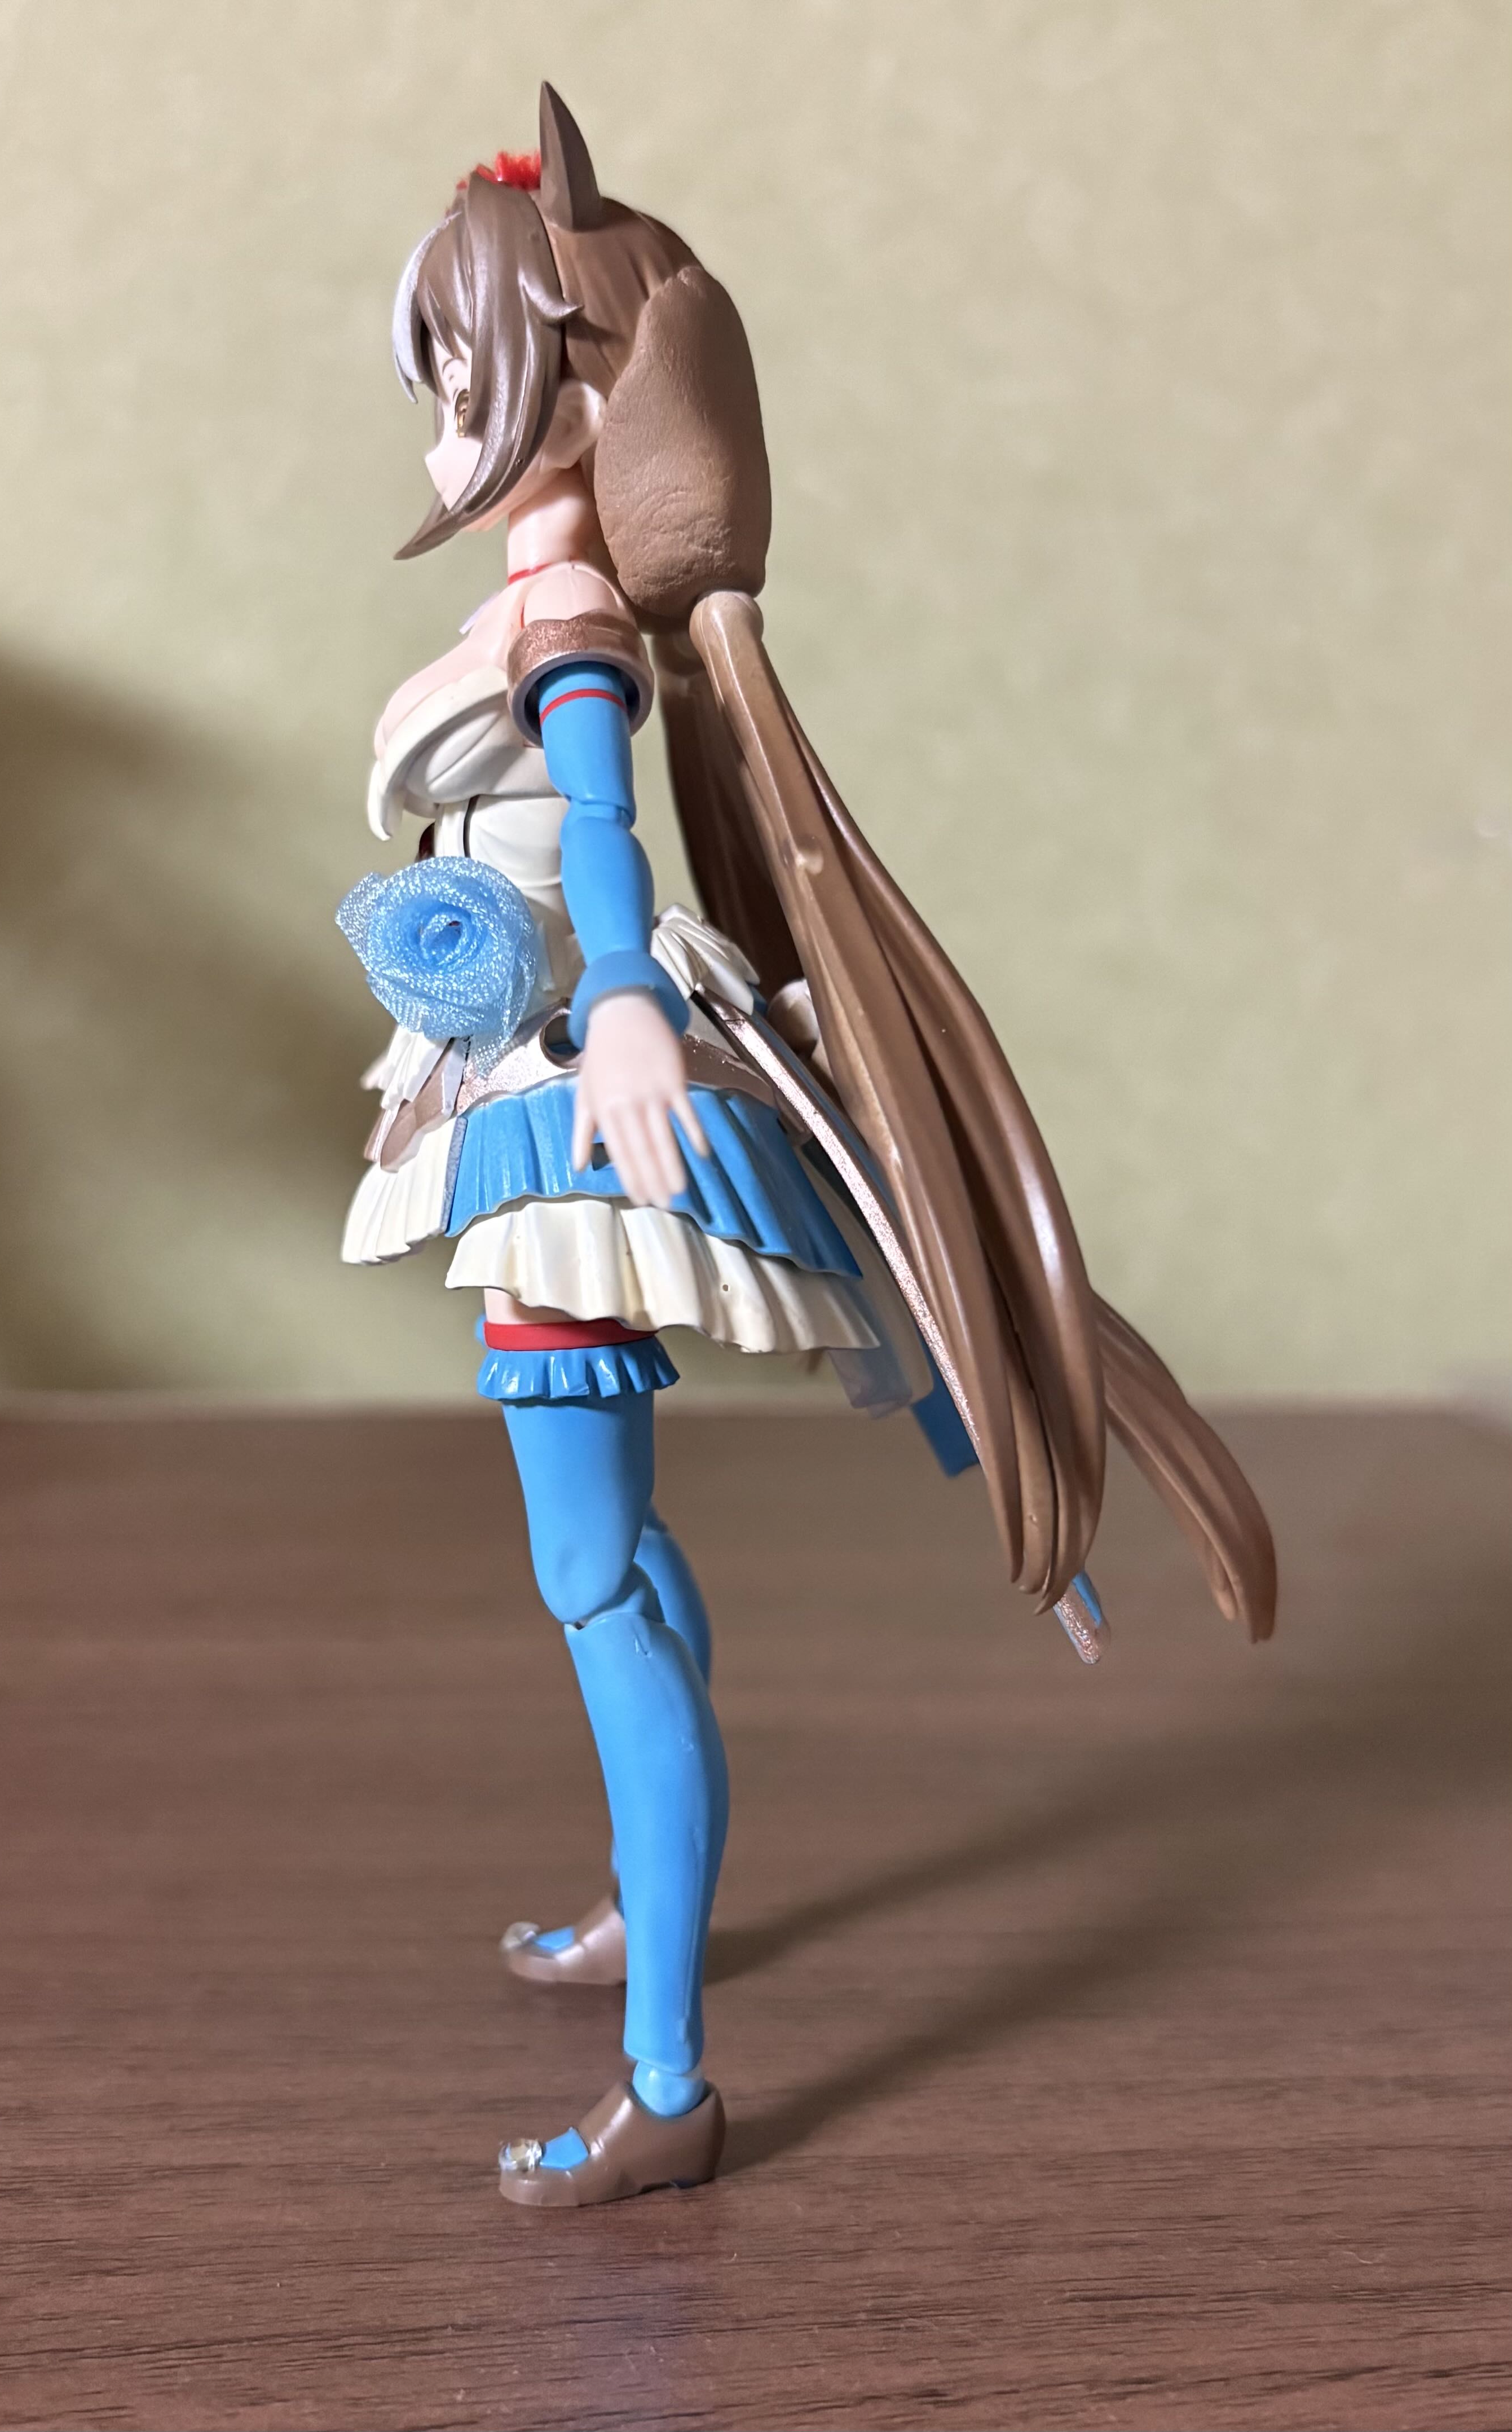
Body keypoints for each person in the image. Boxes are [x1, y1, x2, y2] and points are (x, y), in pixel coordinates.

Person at [338, 87, 1276, 2210]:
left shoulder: (573, 625)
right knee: (623, 1566)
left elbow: (602, 826)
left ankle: (668, 2078)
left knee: (595, 1588)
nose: (439, 433)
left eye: (462, 380)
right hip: (528, 1086)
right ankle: (645, 1900)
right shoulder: (538, 598)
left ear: (575, 386)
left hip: (569, 1116)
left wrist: (630, 1001)